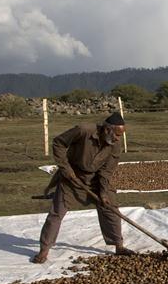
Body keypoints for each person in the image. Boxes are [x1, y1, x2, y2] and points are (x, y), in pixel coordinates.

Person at [31, 112, 135, 263]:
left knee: (111, 209)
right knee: (57, 212)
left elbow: (106, 171)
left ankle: (119, 246)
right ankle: (44, 250)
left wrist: (104, 193)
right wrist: (66, 169)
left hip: (96, 180)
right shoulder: (83, 130)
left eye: (120, 136)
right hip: (72, 177)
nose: (118, 139)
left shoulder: (115, 145)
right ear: (107, 130)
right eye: (117, 135)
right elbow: (58, 143)